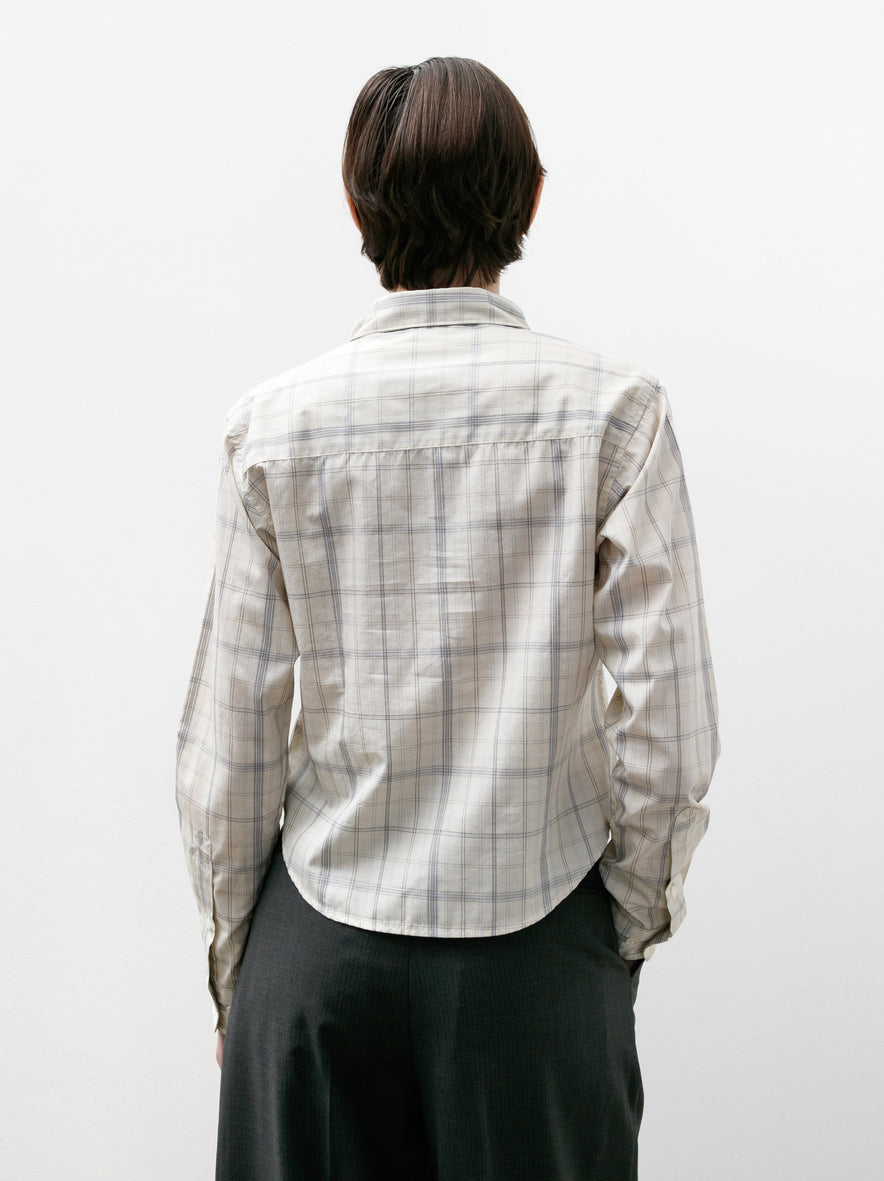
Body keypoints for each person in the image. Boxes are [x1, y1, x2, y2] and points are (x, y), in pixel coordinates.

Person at [175, 55, 720, 1181]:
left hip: (319, 957)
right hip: (539, 951)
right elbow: (670, 736)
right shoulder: (617, 417)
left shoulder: (272, 429)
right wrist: (617, 932)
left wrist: (238, 970)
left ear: (355, 206)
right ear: (530, 199)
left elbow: (229, 755)